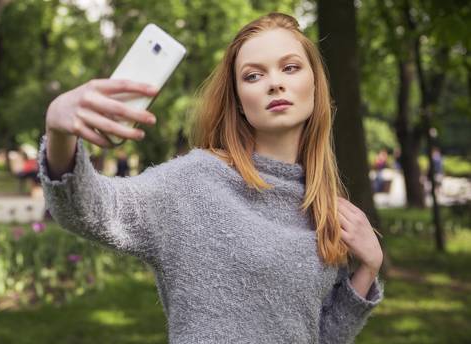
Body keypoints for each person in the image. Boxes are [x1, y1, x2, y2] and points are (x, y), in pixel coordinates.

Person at [38, 13, 384, 343]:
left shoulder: (322, 207)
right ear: (238, 100)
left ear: (314, 84)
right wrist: (60, 133)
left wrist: (368, 267)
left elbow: (319, 337)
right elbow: (88, 210)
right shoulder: (194, 184)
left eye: (290, 68)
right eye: (253, 75)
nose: (275, 83)